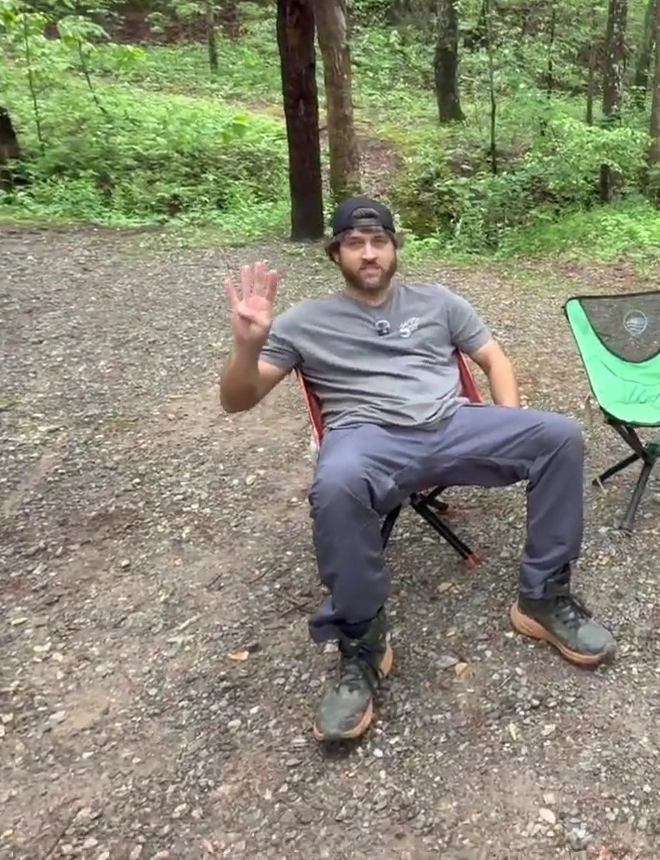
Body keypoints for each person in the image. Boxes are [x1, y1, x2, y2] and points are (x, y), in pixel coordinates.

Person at [218, 196, 617, 741]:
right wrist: (246, 348)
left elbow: (493, 358)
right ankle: (363, 644)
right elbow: (237, 400)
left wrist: (509, 420)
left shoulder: (439, 302)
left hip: (452, 423)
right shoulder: (303, 322)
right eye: (354, 244)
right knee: (335, 483)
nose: (369, 253)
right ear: (336, 254)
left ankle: (542, 597)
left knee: (560, 436)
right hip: (366, 439)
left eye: (378, 241)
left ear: (394, 248)